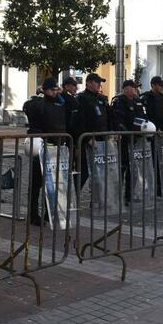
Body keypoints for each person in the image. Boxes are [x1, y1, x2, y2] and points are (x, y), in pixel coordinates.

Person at [22, 77, 68, 225]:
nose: (55, 92)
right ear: (45, 89)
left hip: (55, 147)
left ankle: (49, 212)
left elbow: (69, 104)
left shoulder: (58, 102)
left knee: (52, 184)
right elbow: (29, 107)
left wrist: (60, 94)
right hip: (41, 147)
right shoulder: (37, 103)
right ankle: (33, 214)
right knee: (37, 183)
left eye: (56, 90)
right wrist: (41, 94)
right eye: (53, 90)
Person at [73, 73, 111, 194]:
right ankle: (71, 199)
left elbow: (109, 117)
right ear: (89, 83)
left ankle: (97, 203)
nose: (99, 84)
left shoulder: (101, 99)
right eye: (97, 82)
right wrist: (87, 138)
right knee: (83, 172)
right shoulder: (81, 99)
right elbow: (77, 122)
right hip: (87, 142)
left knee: (101, 173)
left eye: (100, 82)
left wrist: (113, 132)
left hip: (101, 141)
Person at [111, 80, 148, 203]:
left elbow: (142, 117)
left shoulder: (137, 101)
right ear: (126, 89)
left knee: (134, 168)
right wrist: (126, 132)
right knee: (123, 167)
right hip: (125, 139)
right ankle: (117, 196)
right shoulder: (119, 101)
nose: (136, 90)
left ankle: (129, 195)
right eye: (133, 88)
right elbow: (117, 120)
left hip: (136, 140)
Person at [141, 76, 163, 193]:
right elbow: (146, 116)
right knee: (154, 161)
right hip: (153, 133)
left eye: (162, 85)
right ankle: (156, 187)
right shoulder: (146, 97)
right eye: (159, 85)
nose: (161, 87)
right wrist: (156, 129)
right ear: (153, 85)